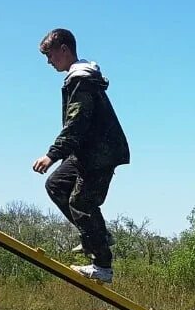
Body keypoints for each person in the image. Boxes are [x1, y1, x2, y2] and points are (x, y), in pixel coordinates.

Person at [32, 28, 130, 284]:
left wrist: (52, 155)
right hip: (85, 150)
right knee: (56, 185)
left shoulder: (81, 80)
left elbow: (77, 122)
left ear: (64, 49)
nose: (49, 61)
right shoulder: (78, 78)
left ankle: (102, 266)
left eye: (50, 55)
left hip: (100, 152)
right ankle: (97, 236)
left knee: (82, 202)